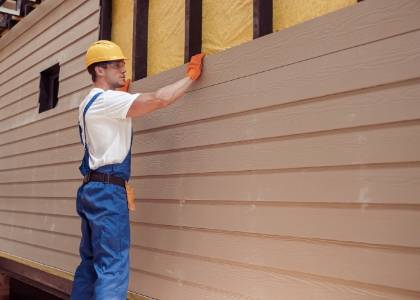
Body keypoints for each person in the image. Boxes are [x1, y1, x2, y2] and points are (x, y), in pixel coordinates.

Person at [70, 40, 204, 300]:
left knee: (90, 264)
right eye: (117, 65)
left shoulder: (88, 103)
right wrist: (190, 76)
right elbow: (159, 99)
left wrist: (123, 95)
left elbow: (112, 119)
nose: (123, 70)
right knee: (113, 266)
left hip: (92, 189)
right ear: (99, 70)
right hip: (108, 193)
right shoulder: (106, 101)